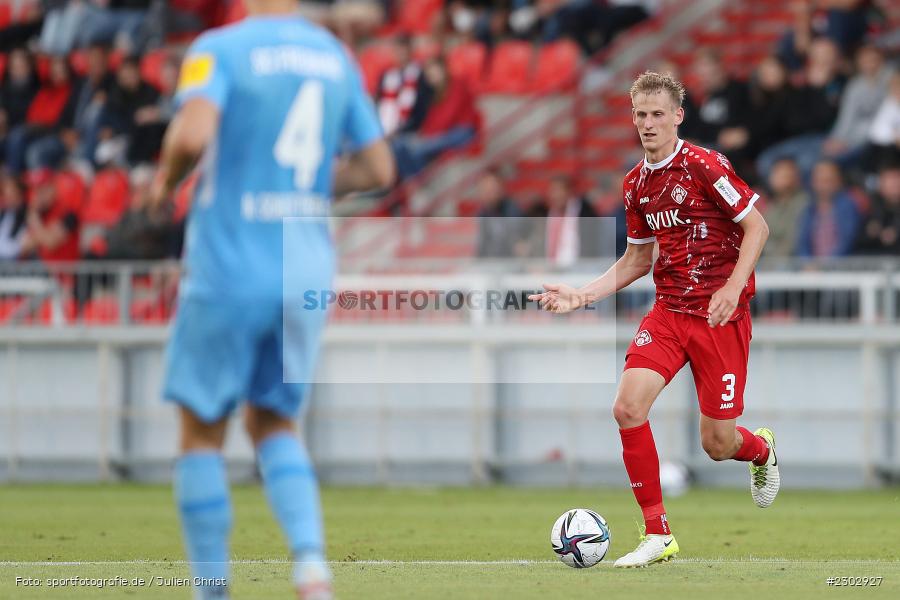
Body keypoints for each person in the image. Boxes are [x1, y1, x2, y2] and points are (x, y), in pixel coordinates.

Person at [149, 1, 395, 598]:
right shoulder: (334, 56)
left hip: (233, 260)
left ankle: (212, 590)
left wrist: (163, 184)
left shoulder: (219, 48)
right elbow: (379, 167)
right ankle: (311, 566)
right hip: (304, 265)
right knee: (275, 421)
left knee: (202, 432)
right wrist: (304, 185)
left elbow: (193, 131)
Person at [529, 71, 778, 568]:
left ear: (678, 116)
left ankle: (759, 450)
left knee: (717, 443)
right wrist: (582, 294)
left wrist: (731, 289)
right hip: (669, 312)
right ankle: (657, 532)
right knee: (626, 408)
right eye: (640, 115)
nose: (648, 124)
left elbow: (757, 226)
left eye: (658, 114)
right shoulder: (635, 184)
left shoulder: (704, 165)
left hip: (719, 316)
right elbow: (637, 260)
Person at [795, 159, 861, 258]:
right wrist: (807, 263)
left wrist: (826, 265)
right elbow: (802, 242)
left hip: (841, 268)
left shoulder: (848, 206)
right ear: (813, 182)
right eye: (821, 180)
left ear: (839, 181)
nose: (824, 186)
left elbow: (846, 241)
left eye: (829, 180)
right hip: (812, 270)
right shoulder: (809, 209)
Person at [762, 158, 809, 258]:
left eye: (783, 175)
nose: (775, 178)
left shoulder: (802, 203)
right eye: (775, 173)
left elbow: (793, 241)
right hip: (768, 263)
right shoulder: (773, 204)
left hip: (790, 265)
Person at [475, 168, 527, 258]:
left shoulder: (512, 211)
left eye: (491, 189)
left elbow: (516, 241)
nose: (488, 193)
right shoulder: (483, 213)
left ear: (500, 189)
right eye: (485, 189)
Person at [857, 161, 900, 254]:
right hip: (875, 260)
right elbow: (857, 240)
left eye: (897, 179)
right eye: (890, 179)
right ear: (881, 184)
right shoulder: (871, 207)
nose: (894, 184)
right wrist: (871, 233)